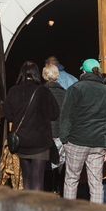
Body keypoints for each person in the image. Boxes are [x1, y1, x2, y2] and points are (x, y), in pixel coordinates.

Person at [60, 59, 106, 204]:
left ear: (83, 71)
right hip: (98, 142)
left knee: (72, 180)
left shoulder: (75, 88)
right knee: (96, 183)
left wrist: (64, 138)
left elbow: (66, 115)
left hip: (76, 141)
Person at [4, 61, 60, 190]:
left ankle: (27, 207)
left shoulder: (13, 91)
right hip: (40, 141)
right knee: (37, 177)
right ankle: (37, 208)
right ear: (36, 74)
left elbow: (9, 115)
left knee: (26, 176)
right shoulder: (43, 91)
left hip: (21, 141)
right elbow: (54, 114)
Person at [42, 65, 66, 193]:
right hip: (61, 134)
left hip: (47, 134)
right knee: (61, 165)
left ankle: (50, 190)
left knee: (47, 166)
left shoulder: (41, 92)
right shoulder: (65, 93)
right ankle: (60, 188)